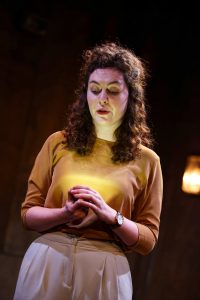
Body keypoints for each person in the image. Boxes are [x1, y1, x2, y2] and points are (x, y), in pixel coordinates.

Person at [14, 41, 163, 300]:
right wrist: (64, 213)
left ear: (132, 96)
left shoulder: (147, 160)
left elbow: (148, 239)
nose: (102, 98)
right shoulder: (58, 142)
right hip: (49, 259)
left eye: (113, 90)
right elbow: (28, 214)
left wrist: (109, 216)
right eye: (95, 90)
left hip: (105, 265)